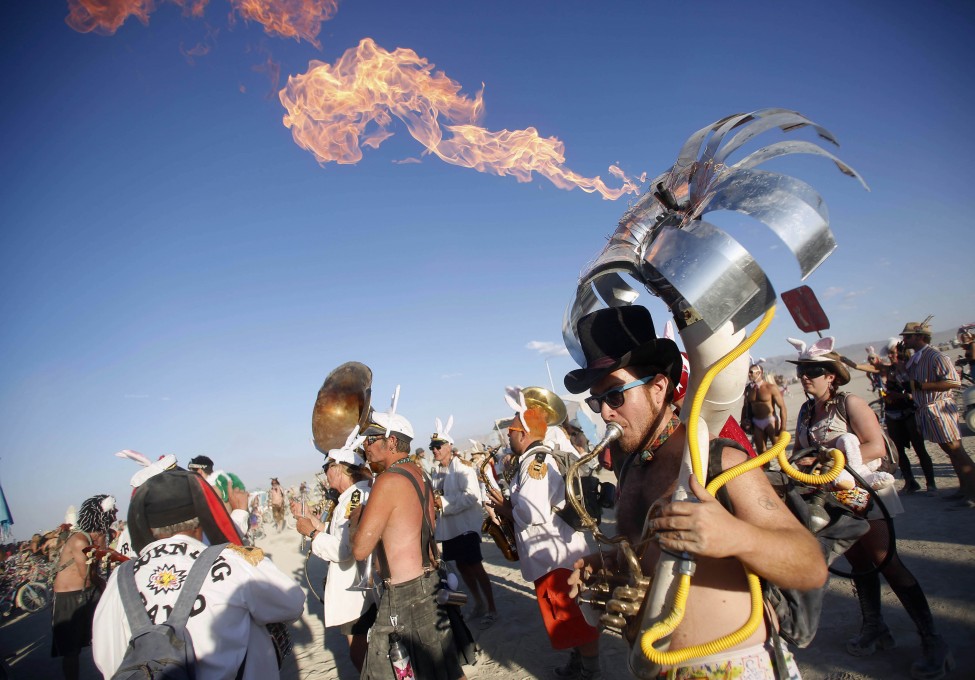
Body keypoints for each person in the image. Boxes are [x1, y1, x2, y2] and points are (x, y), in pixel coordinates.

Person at [563, 306, 826, 679]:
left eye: (615, 396)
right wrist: (608, 563)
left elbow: (811, 565)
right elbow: (649, 555)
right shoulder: (631, 467)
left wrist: (736, 537)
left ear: (658, 388)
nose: (604, 413)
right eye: (597, 401)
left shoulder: (716, 458)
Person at [788, 337, 953, 679]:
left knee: (886, 562)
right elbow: (802, 451)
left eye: (813, 371)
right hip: (831, 497)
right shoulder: (805, 411)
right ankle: (875, 628)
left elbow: (875, 445)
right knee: (859, 564)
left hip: (865, 493)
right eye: (803, 371)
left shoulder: (851, 402)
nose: (806, 377)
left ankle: (932, 640)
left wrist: (831, 455)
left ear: (831, 375)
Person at [92, 469, 304, 680]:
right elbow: (292, 603)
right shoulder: (230, 561)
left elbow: (105, 658)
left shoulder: (120, 578)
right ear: (202, 517)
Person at [486, 398, 601, 679]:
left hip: (556, 559)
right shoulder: (531, 461)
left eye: (512, 430)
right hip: (553, 556)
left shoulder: (536, 463)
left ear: (523, 433)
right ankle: (580, 666)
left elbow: (534, 511)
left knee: (575, 619)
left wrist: (505, 508)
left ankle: (591, 672)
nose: (509, 435)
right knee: (570, 618)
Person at [351, 403, 466, 680]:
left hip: (404, 594)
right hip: (429, 582)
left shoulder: (387, 481)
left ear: (391, 441)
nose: (365, 446)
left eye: (370, 439)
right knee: (445, 666)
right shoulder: (420, 474)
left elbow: (360, 549)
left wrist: (358, 517)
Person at [292, 432, 376, 672]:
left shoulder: (354, 496)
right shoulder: (352, 496)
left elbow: (344, 548)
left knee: (358, 649)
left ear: (338, 469)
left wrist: (312, 534)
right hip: (357, 583)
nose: (325, 473)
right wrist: (315, 524)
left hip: (355, 586)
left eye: (327, 467)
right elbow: (341, 532)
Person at [430, 419, 498, 629]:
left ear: (449, 446)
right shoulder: (436, 472)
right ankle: (478, 602)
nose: (435, 451)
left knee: (475, 566)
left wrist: (445, 503)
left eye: (438, 446)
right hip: (450, 529)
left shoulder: (463, 468)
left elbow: (471, 496)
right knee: (461, 567)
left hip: (465, 526)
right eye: (432, 447)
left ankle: (491, 607)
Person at [901, 319, 975, 508]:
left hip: (939, 409)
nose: (905, 340)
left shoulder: (936, 356)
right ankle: (964, 489)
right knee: (950, 452)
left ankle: (972, 492)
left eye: (908, 337)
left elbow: (953, 382)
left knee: (957, 451)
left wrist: (921, 386)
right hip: (927, 410)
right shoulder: (916, 358)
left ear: (918, 336)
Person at [51, 494, 117, 680]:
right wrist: (108, 587)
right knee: (72, 651)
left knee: (106, 635)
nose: (116, 514)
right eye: (113, 512)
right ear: (101, 515)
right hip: (70, 597)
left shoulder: (97, 537)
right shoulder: (80, 540)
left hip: (89, 590)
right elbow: (87, 576)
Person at [882, 342, 937, 494]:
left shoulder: (912, 370)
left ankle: (931, 483)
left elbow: (916, 393)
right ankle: (910, 481)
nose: (891, 356)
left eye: (894, 353)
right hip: (893, 412)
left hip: (910, 412)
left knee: (920, 448)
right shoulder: (890, 370)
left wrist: (900, 395)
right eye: (890, 353)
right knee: (898, 450)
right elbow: (859, 367)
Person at [740, 363, 788, 454]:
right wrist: (742, 420)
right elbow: (745, 406)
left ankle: (785, 468)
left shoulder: (770, 387)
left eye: (751, 372)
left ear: (759, 373)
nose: (749, 374)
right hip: (757, 423)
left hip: (771, 421)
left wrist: (783, 427)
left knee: (779, 451)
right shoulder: (748, 389)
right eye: (748, 372)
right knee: (761, 452)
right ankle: (766, 468)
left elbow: (782, 407)